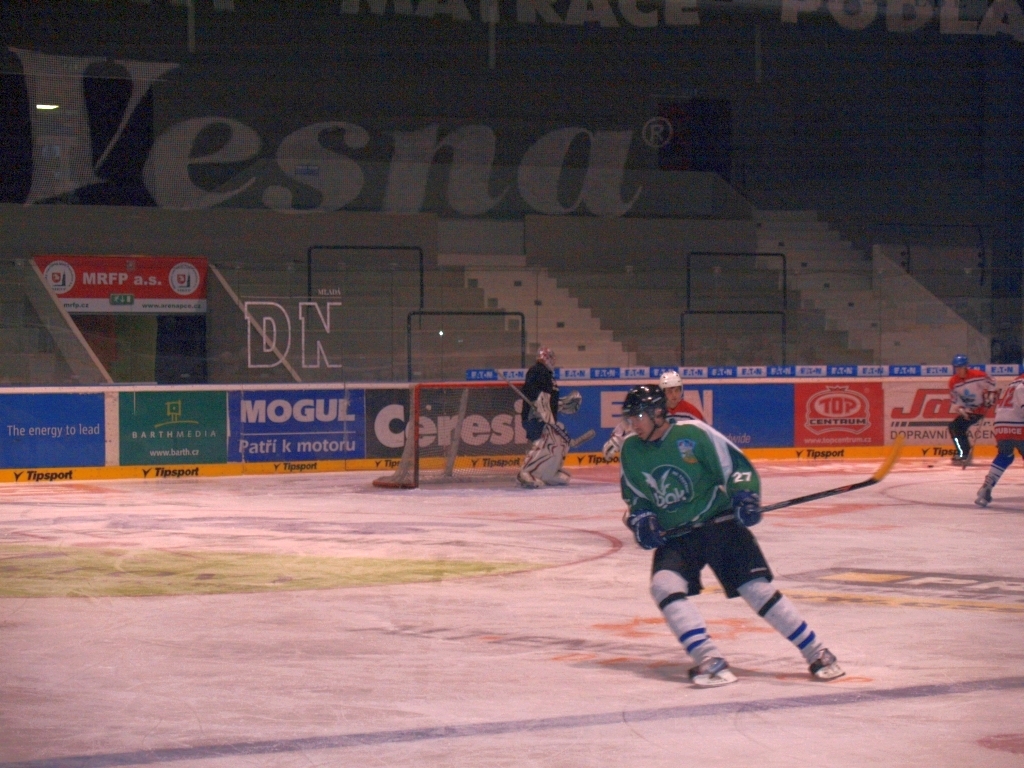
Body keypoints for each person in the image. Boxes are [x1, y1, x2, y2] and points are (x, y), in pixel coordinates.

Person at [618, 384, 844, 687]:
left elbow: (736, 468)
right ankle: (709, 660)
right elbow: (636, 497)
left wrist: (745, 496)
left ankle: (817, 652)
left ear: (658, 413)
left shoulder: (693, 434)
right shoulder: (631, 450)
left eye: (638, 417)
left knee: (755, 589)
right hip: (678, 536)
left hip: (719, 524)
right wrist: (642, 520)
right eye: (630, 418)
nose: (633, 424)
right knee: (663, 586)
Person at [603, 370, 703, 460]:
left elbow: (703, 434)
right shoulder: (653, 409)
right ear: (663, 392)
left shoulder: (691, 411)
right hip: (655, 455)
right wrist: (616, 441)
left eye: (677, 390)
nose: (674, 395)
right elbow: (631, 423)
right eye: (670, 391)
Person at [517, 347, 569, 488]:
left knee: (553, 444)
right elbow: (530, 390)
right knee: (540, 443)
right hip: (535, 417)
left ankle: (547, 473)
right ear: (546, 358)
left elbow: (548, 397)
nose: (553, 361)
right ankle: (525, 472)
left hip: (546, 418)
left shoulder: (548, 374)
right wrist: (539, 405)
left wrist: (560, 404)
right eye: (551, 357)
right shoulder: (537, 370)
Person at [975, 370, 1024, 507]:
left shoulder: (1015, 382)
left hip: (1001, 425)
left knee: (1005, 455)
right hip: (1018, 424)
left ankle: (987, 486)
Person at [948, 355, 997, 467]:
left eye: (960, 367)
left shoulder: (978, 375)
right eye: (956, 367)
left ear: (966, 366)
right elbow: (955, 399)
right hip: (967, 409)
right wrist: (960, 409)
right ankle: (964, 452)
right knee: (954, 427)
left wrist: (991, 396)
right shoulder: (953, 382)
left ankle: (964, 453)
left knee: (956, 427)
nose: (958, 370)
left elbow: (992, 383)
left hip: (979, 408)